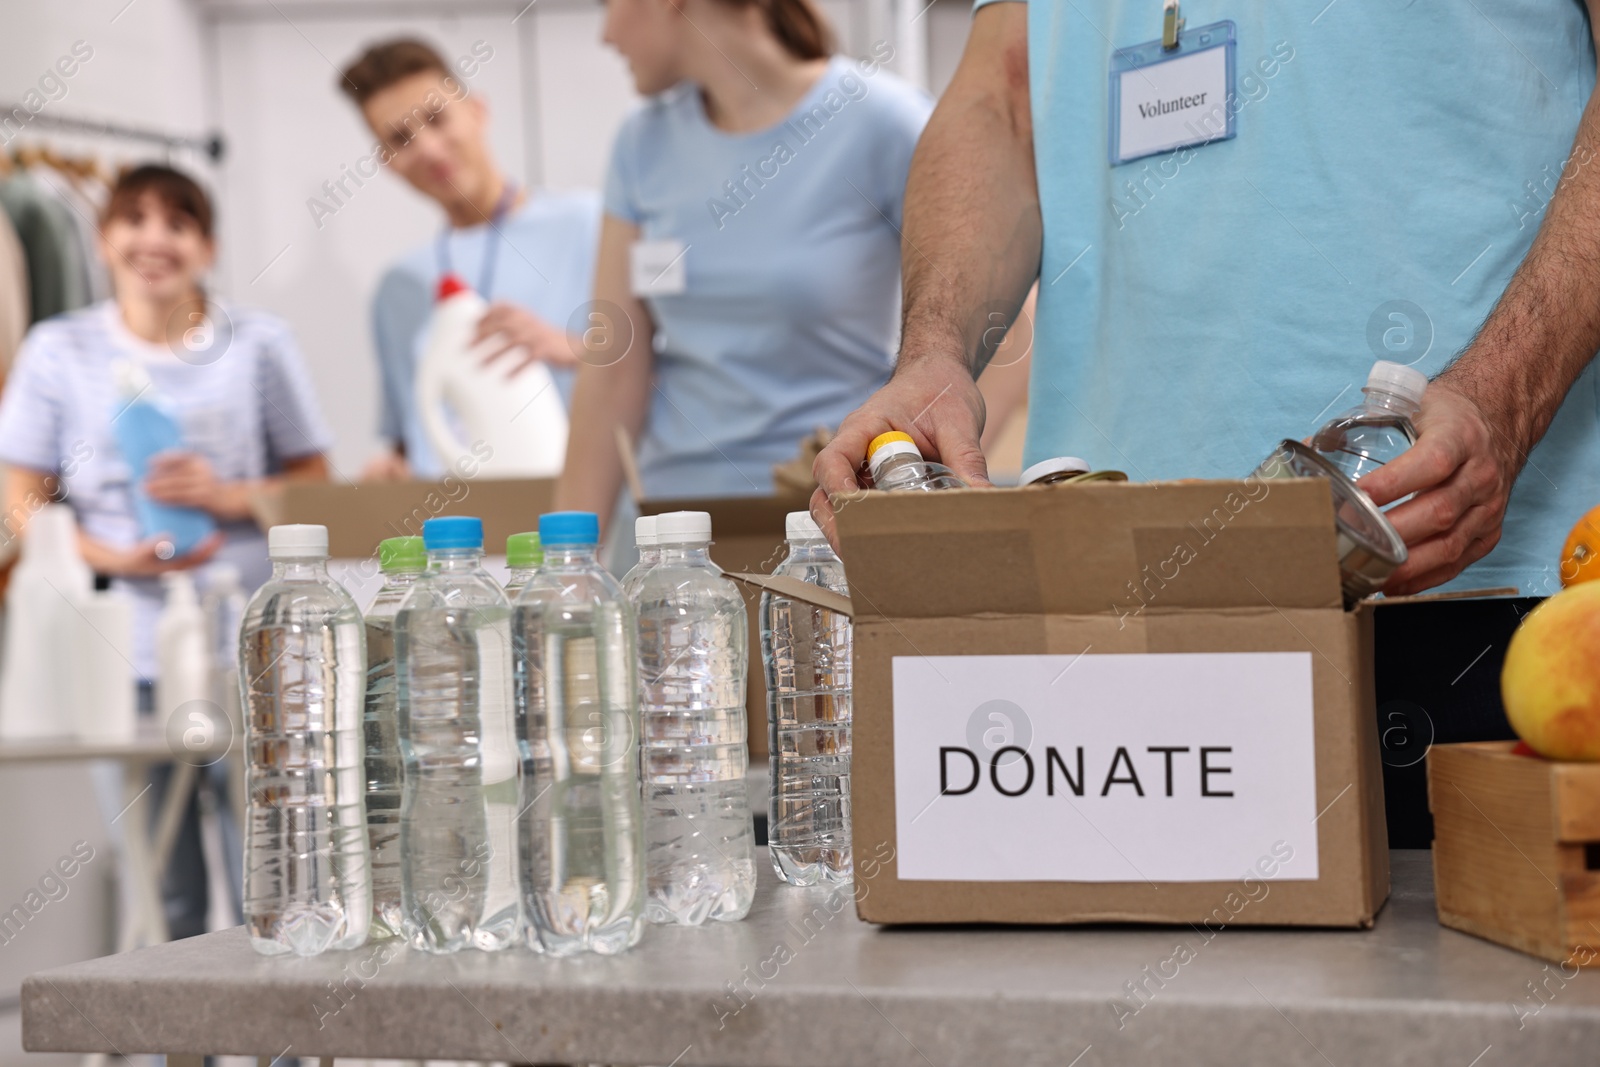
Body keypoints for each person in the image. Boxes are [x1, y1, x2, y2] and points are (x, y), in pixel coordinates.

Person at [810, 2, 1600, 844]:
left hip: (1481, 592)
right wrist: (934, 351)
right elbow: (1005, 98)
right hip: (1118, 599)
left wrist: (1504, 396)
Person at [0, 163, 334, 938]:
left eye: (178, 223)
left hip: (255, 652)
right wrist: (111, 556)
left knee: (277, 879)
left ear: (207, 244)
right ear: (103, 236)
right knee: (163, 892)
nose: (154, 238)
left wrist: (228, 495)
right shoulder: (59, 350)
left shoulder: (257, 345)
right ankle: (176, 1057)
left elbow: (317, 484)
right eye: (135, 219)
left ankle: (279, 1054)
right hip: (122, 661)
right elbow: (18, 500)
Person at [552, 0, 935, 558]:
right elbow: (612, 376)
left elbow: (998, 331)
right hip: (673, 538)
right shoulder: (642, 146)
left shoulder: (883, 121)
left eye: (609, 4)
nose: (606, 34)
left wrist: (915, 481)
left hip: (838, 528)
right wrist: (567, 563)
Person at [338, 38, 600, 481]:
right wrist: (393, 470)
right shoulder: (399, 287)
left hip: (578, 518)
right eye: (401, 139)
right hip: (458, 535)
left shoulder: (591, 224)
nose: (429, 149)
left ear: (478, 110)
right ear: (386, 162)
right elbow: (412, 433)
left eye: (436, 118)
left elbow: (668, 366)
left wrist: (569, 347)